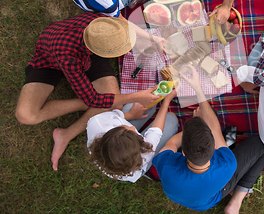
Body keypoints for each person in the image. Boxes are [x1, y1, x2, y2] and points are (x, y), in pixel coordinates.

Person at [15, 14, 161, 171]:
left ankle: (66, 134)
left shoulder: (101, 24)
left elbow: (121, 20)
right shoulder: (68, 58)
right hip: (50, 61)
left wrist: (144, 41)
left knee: (111, 105)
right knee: (26, 115)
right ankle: (85, 103)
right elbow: (93, 100)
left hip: (88, 53)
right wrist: (136, 96)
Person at [153, 66, 264, 214]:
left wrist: (191, 132)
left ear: (183, 153)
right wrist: (198, 89)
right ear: (215, 147)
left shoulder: (166, 164)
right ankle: (236, 199)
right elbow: (214, 126)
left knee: (209, 117)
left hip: (186, 194)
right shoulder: (227, 163)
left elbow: (172, 143)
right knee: (262, 144)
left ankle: (222, 198)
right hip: (211, 197)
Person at [87, 89, 178, 182]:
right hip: (138, 161)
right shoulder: (143, 156)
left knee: (148, 100)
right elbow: (156, 131)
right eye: (134, 133)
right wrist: (167, 101)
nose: (133, 127)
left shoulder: (97, 123)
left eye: (124, 127)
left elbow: (115, 116)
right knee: (171, 119)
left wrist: (131, 115)